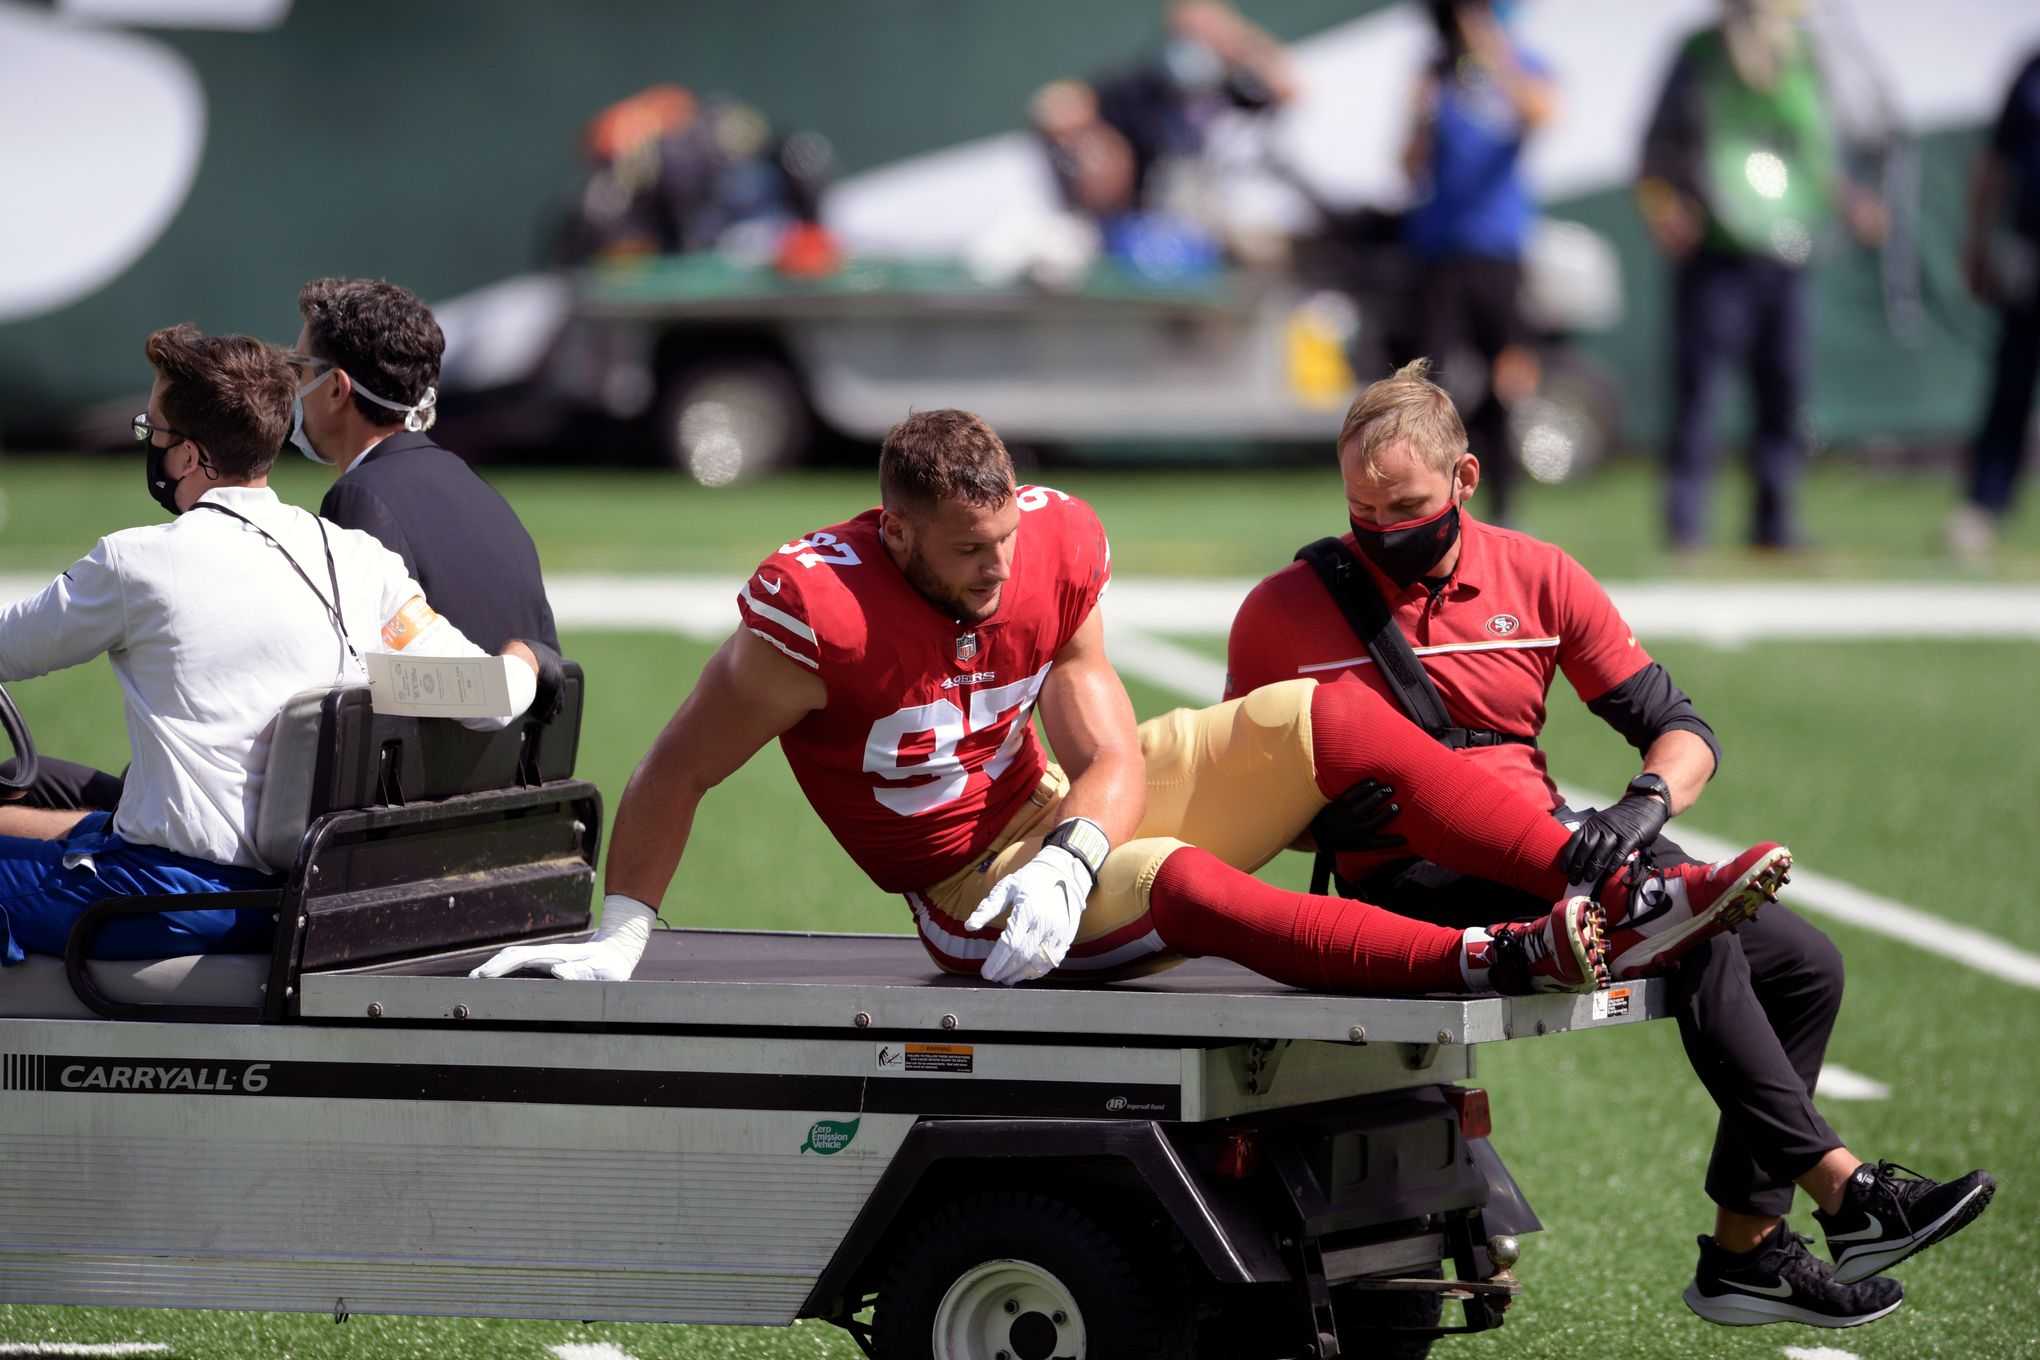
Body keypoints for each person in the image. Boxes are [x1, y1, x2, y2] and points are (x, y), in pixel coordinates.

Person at [470, 407, 1786, 1013]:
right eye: (965, 551)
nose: (996, 569)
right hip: (968, 902)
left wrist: (1078, 844)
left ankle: (1605, 879)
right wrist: (623, 930)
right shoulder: (823, 613)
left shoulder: (1051, 545)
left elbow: (1104, 750)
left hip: (1054, 826)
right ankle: (1507, 956)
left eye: (1005, 538)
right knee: (1183, 883)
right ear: (895, 528)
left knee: (1314, 720)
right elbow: (678, 768)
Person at [1225, 359, 1994, 1329]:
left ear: (1465, 480)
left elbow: (1681, 729)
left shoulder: (1538, 573)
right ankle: (1841, 1194)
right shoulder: (1278, 611)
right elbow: (1247, 802)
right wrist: (1331, 817)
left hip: (1556, 853)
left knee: (1805, 962)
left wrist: (1644, 805)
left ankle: (1749, 1246)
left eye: (1406, 503)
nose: (1382, 529)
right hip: (1415, 884)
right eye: (1361, 508)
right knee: (1696, 928)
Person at [0, 327, 546, 965]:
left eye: (154, 433)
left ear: (190, 456)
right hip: (296, 900)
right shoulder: (362, 561)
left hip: (166, 902)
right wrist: (525, 656)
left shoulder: (137, 562)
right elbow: (496, 696)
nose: (151, 448)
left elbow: (13, 648)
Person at [1637, 0, 1883, 549]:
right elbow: (1654, 148)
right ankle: (1686, 524)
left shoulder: (1802, 53)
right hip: (1716, 249)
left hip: (1784, 247)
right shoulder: (1699, 53)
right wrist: (1664, 209)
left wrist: (1850, 203)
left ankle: (1773, 523)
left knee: (1783, 386)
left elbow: (1813, 148)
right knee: (1700, 389)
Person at [289, 277, 559, 655]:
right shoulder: (479, 491)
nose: (294, 385)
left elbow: (365, 669)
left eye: (299, 368)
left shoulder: (359, 498)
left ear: (336, 388)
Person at [1400, 0, 1557, 526]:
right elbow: (1409, 166)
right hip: (1442, 251)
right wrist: (1420, 111)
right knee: (1433, 383)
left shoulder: (1522, 64)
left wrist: (1492, 49)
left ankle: (1504, 507)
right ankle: (1429, 503)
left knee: (1507, 379)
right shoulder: (1436, 74)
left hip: (1499, 249)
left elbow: (1541, 113)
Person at [1949, 48, 2040, 563]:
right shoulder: (2030, 70)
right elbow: (1996, 162)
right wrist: (1978, 242)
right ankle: (1984, 504)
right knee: (2011, 382)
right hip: (2032, 248)